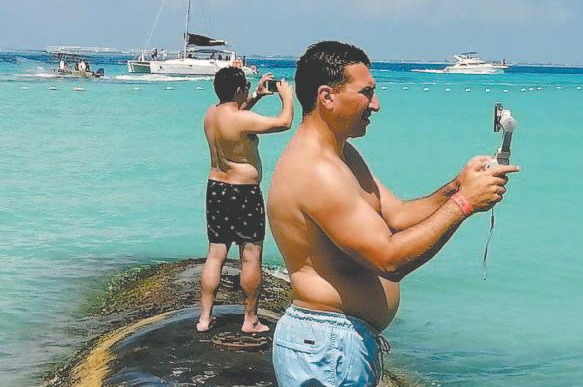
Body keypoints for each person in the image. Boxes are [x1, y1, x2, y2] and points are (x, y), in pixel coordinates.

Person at [267, 41, 519, 386]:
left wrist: (457, 187)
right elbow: (388, 260)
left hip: (336, 343)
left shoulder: (342, 155)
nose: (376, 105)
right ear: (327, 97)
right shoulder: (316, 171)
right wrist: (464, 204)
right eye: (366, 93)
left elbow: (397, 215)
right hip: (326, 346)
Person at [198, 68, 294, 333]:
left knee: (215, 254)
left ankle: (204, 318)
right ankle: (250, 320)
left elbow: (236, 117)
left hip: (216, 187)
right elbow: (284, 122)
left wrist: (257, 96)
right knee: (250, 256)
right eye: (247, 88)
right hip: (243, 192)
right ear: (239, 90)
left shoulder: (211, 114)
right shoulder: (241, 119)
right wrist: (287, 97)